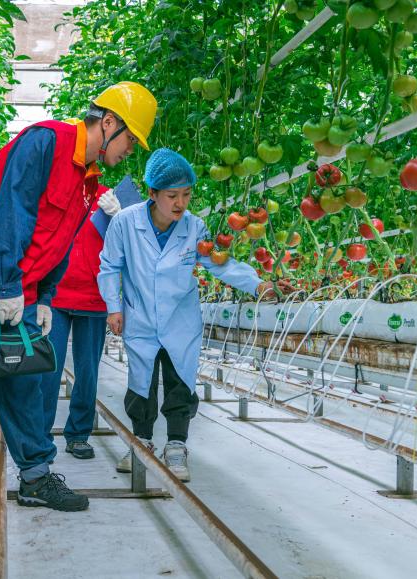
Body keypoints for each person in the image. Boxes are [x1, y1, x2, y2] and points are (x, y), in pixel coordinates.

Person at [0, 82, 158, 515]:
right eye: (131, 139)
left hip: (19, 285)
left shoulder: (88, 180)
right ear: (109, 123)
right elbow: (10, 213)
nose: (131, 150)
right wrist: (9, 286)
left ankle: (35, 476)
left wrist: (44, 296)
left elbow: (62, 240)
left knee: (25, 377)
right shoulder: (46, 142)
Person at [97, 148, 293, 482]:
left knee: (180, 383)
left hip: (180, 321)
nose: (180, 203)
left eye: (186, 195)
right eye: (172, 196)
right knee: (140, 384)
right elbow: (109, 266)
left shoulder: (194, 227)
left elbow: (219, 263)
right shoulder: (125, 223)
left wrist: (258, 284)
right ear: (152, 193)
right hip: (139, 317)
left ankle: (176, 445)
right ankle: (141, 442)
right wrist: (113, 308)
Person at [38, 182, 125, 460]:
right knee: (48, 369)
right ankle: (40, 434)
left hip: (94, 296)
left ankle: (78, 434)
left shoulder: (106, 196)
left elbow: (126, 245)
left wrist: (118, 217)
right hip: (56, 295)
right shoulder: (54, 191)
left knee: (87, 371)